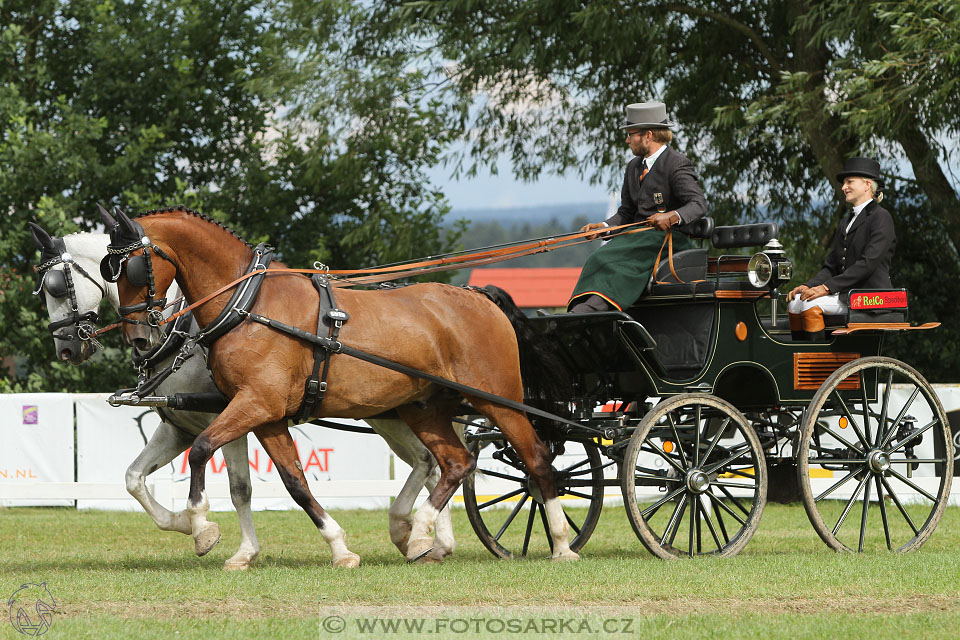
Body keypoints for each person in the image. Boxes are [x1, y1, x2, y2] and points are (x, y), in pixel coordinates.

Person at [568, 101, 707, 313]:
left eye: (630, 134)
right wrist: (603, 226)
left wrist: (671, 217)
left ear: (648, 135)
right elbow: (626, 212)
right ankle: (579, 309)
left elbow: (698, 204)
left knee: (611, 260)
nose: (627, 139)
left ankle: (592, 310)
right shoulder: (633, 167)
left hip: (668, 241)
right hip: (639, 238)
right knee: (598, 257)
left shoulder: (676, 163)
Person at [787, 156, 895, 340]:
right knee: (795, 303)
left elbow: (867, 264)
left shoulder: (881, 218)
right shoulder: (845, 222)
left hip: (871, 297)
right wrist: (808, 285)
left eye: (849, 182)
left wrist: (827, 288)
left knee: (808, 305)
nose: (844, 187)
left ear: (867, 185)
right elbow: (831, 267)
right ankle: (801, 363)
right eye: (844, 183)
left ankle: (817, 365)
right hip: (847, 294)